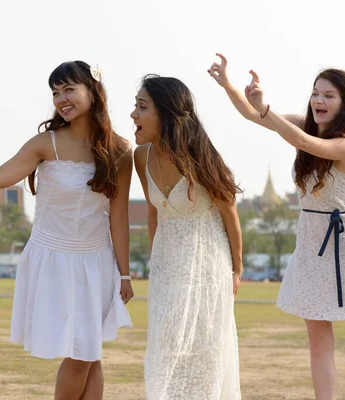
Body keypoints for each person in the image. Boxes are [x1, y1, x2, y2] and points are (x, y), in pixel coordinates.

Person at [0, 61, 133, 400]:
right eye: (55, 92)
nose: (61, 99)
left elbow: (119, 217)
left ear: (93, 93)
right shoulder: (44, 143)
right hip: (53, 258)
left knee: (90, 354)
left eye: (69, 89)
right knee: (82, 353)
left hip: (96, 263)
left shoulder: (120, 150)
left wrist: (124, 275)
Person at [209, 53, 345, 400]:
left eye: (328, 95)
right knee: (318, 340)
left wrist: (267, 110)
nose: (318, 101)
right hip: (310, 241)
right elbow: (250, 114)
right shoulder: (302, 125)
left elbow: (308, 144)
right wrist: (229, 84)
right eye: (315, 93)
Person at [131, 74, 242, 399]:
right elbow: (153, 212)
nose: (133, 115)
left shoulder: (202, 156)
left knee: (205, 351)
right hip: (167, 265)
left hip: (208, 265)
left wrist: (237, 268)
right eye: (134, 106)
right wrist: (156, 261)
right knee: (164, 348)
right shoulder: (141, 158)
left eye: (141, 107)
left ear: (165, 114)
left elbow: (229, 213)